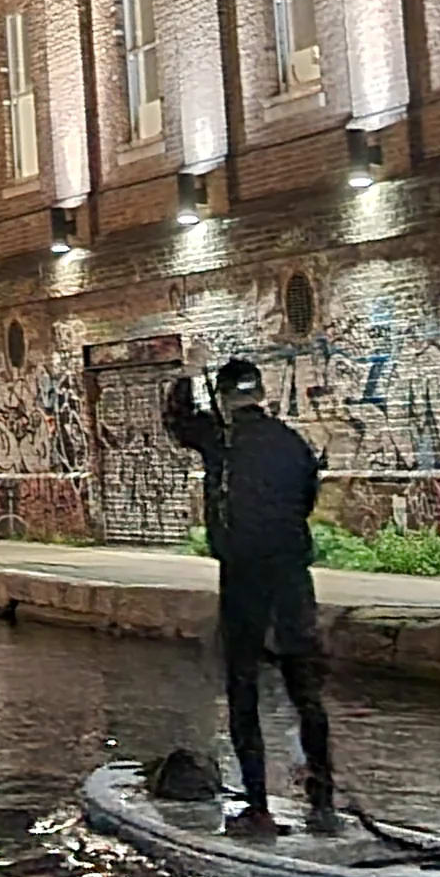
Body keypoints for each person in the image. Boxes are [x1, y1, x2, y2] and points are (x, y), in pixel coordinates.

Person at [161, 356, 336, 837]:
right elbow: (306, 499)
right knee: (307, 693)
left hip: (245, 580)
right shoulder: (292, 442)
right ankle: (324, 805)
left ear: (224, 399)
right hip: (293, 579)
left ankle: (258, 807)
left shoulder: (222, 439)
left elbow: (177, 421)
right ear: (260, 394)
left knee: (244, 692)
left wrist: (184, 378)